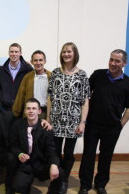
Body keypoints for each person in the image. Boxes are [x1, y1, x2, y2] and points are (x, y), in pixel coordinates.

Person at [78, 49, 129, 194]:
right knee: (88, 155)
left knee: (106, 157)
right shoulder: (98, 75)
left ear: (124, 63)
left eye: (117, 61)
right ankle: (85, 185)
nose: (113, 63)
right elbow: (85, 97)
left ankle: (101, 185)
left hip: (112, 127)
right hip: (92, 124)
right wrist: (83, 120)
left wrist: (120, 126)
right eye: (111, 59)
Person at [0, 92, 51, 194]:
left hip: (4, 153)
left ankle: (9, 182)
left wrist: (42, 120)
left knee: (12, 158)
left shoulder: (7, 116)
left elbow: (28, 119)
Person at [48, 42, 90, 194]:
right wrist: (48, 119)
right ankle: (57, 181)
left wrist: (82, 122)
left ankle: (64, 180)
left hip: (73, 120)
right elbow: (50, 98)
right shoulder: (55, 73)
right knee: (56, 151)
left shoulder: (82, 74)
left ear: (75, 54)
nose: (66, 54)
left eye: (69, 52)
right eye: (64, 51)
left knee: (69, 152)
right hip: (56, 120)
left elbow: (85, 100)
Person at [10, 98, 63, 194]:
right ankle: (26, 186)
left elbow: (52, 151)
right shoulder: (17, 125)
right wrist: (20, 154)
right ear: (25, 110)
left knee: (59, 171)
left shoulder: (46, 128)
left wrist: (54, 165)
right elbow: (13, 145)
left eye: (34, 108)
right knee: (18, 187)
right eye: (28, 108)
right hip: (25, 164)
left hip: (41, 164)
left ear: (39, 111)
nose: (31, 111)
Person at [13, 50, 51, 119]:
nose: (38, 63)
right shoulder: (27, 77)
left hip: (46, 114)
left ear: (45, 61)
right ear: (31, 62)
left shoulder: (51, 76)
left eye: (40, 60)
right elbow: (21, 96)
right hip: (31, 114)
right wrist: (16, 113)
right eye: (35, 60)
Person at [0, 43, 33, 111]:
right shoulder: (2, 69)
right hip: (5, 108)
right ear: (8, 53)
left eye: (16, 52)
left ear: (20, 53)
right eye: (11, 52)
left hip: (22, 108)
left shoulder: (28, 69)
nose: (14, 54)